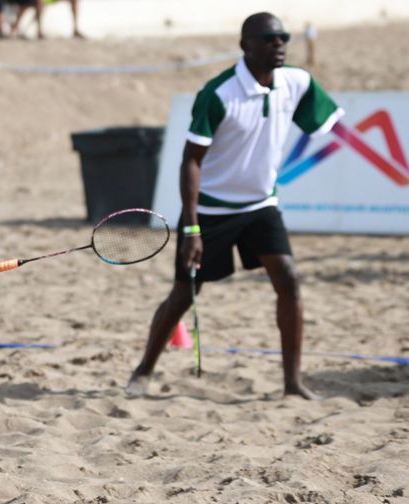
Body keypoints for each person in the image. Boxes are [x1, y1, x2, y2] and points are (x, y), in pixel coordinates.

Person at [125, 12, 343, 401]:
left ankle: (292, 383)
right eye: (268, 38)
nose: (279, 44)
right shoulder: (219, 93)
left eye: (283, 38)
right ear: (245, 45)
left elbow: (327, 125)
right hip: (211, 210)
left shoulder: (297, 81)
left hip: (261, 204)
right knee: (184, 295)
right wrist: (191, 228)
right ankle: (143, 371)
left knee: (289, 280)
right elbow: (190, 161)